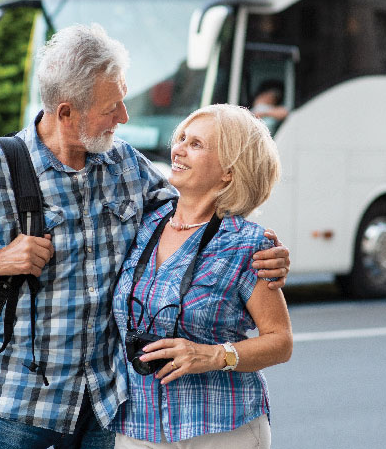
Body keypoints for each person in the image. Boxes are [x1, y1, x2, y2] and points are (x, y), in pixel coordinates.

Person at [0, 23, 290, 449]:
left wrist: (261, 244)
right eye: (112, 107)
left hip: (106, 409)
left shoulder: (121, 162)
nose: (124, 116)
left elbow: (195, 213)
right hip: (20, 409)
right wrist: (0, 259)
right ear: (66, 113)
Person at [110, 104, 293, 448]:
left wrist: (213, 356)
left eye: (196, 144)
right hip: (137, 426)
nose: (177, 149)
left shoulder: (247, 243)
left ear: (228, 171)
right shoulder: (143, 224)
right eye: (180, 139)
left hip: (220, 429)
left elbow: (280, 341)